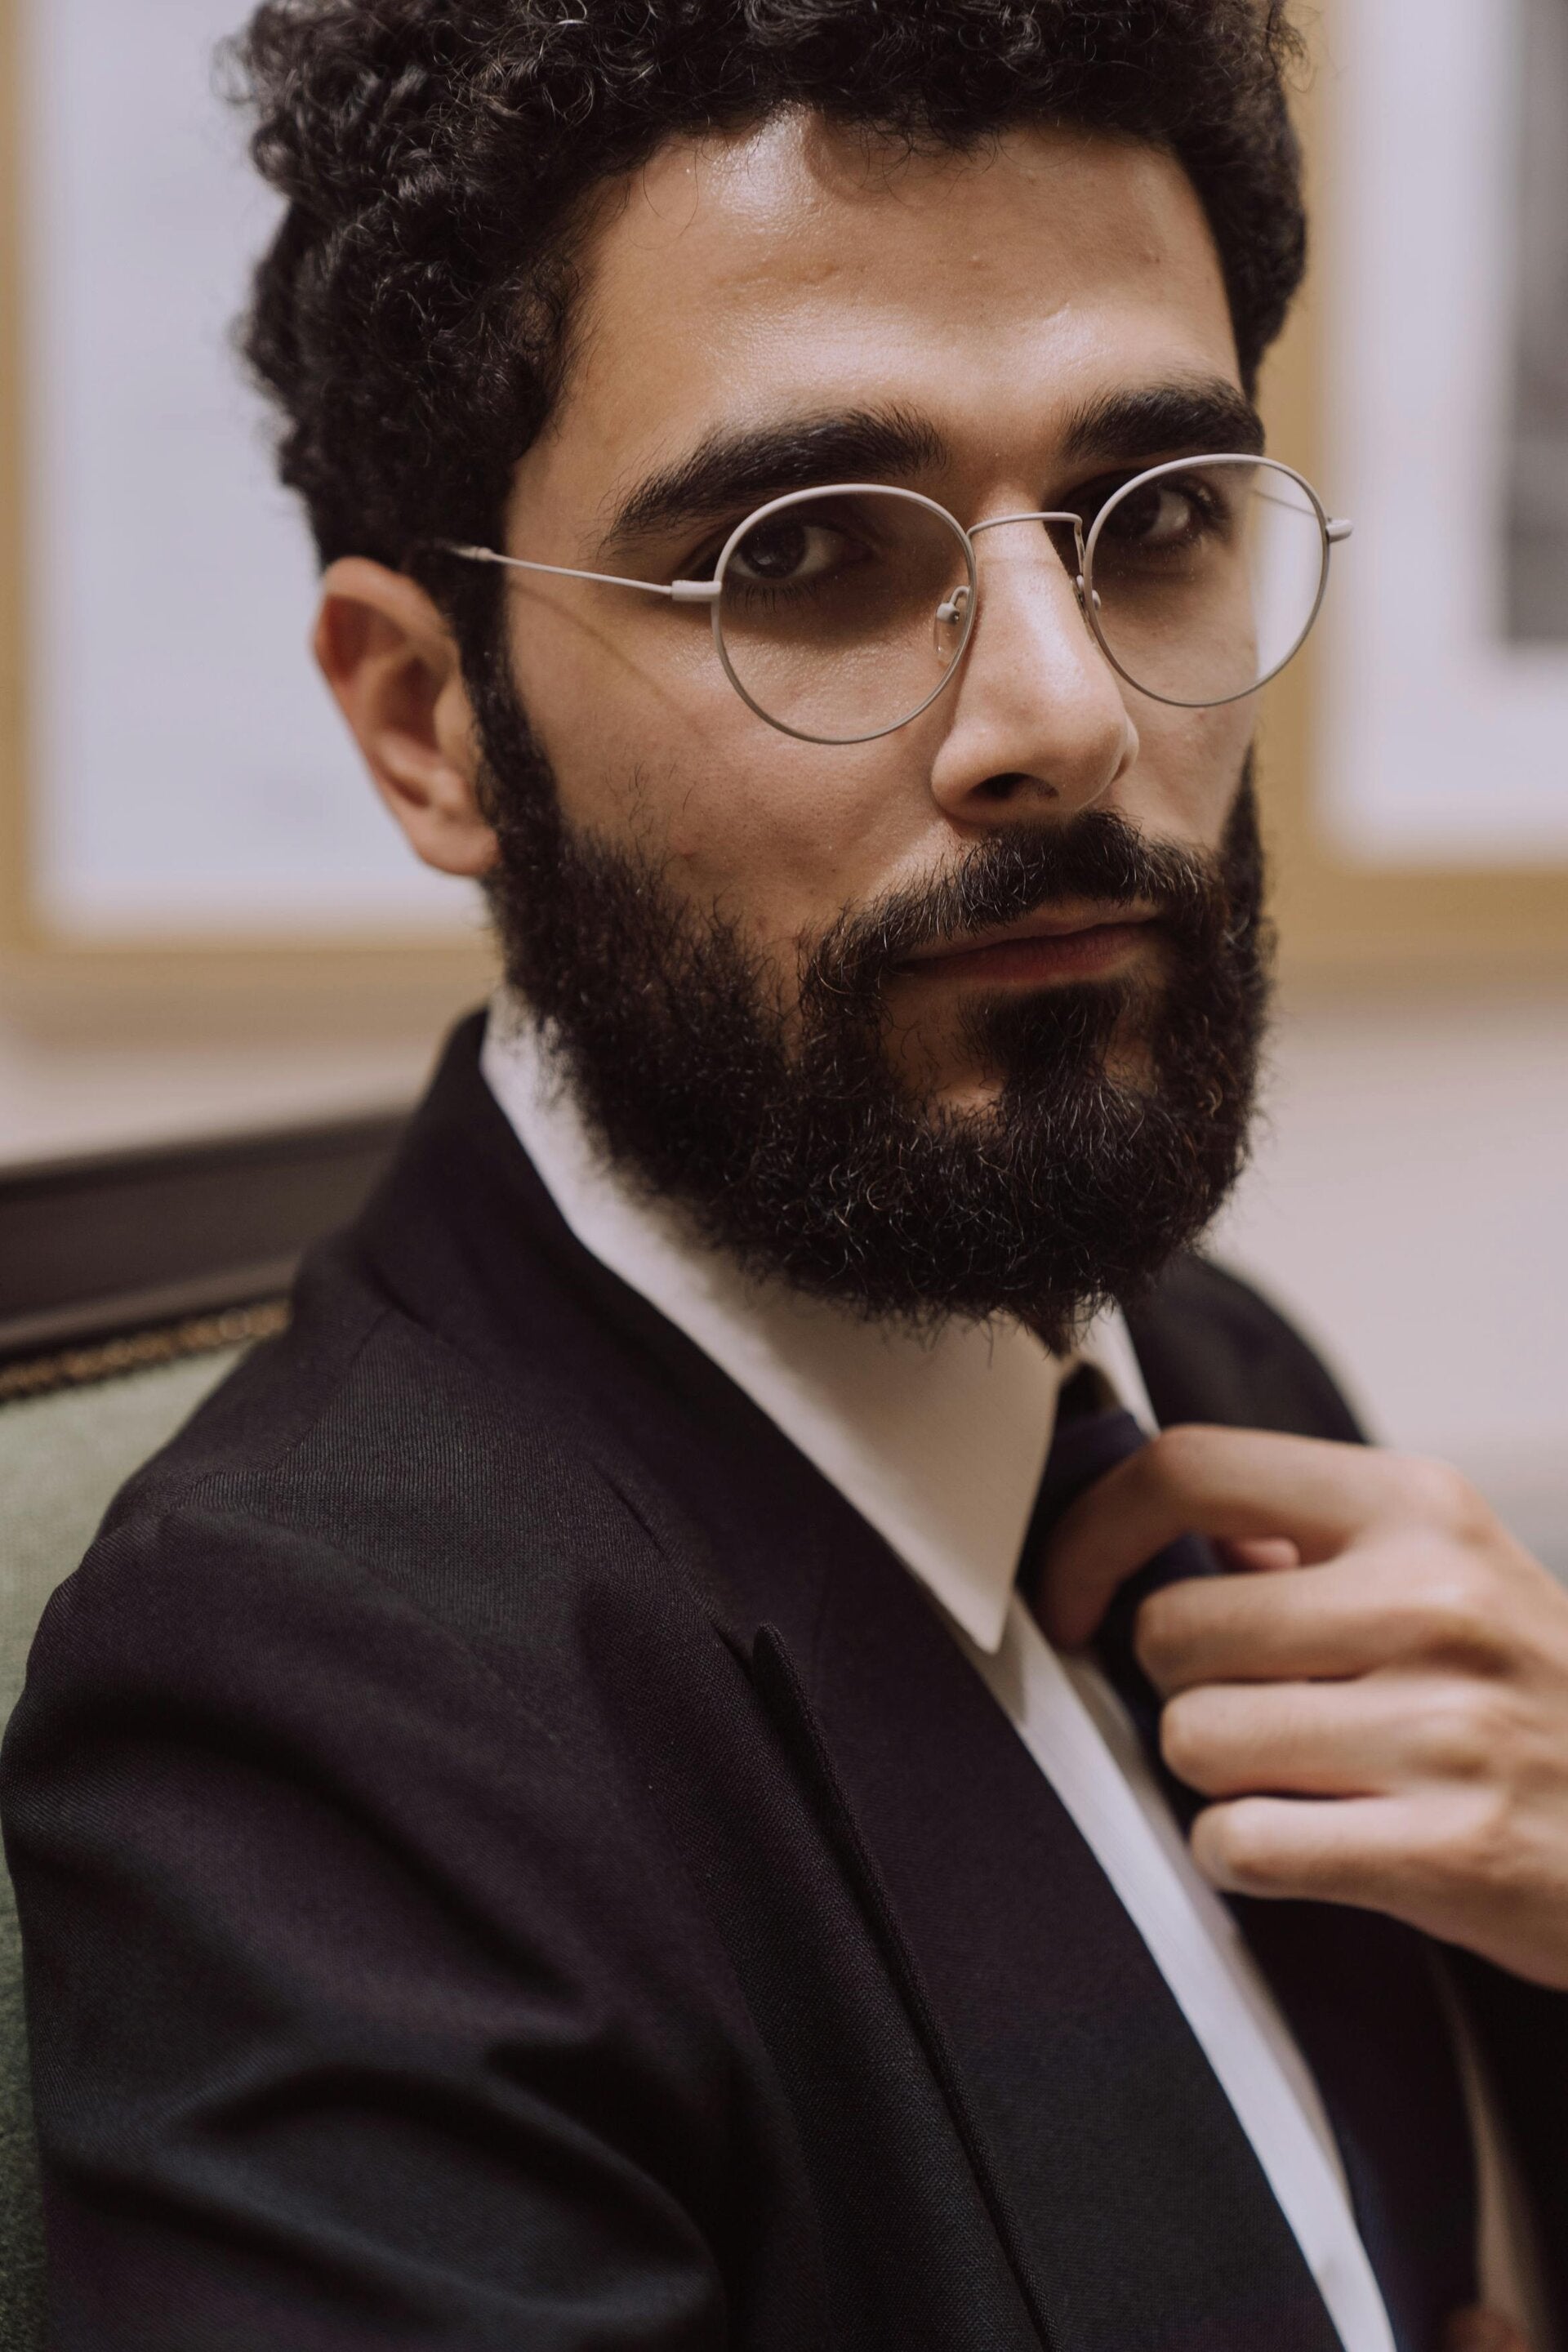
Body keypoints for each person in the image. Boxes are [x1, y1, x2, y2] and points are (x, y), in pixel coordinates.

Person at [4, 3, 1566, 2346]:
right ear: (432, 723)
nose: (1064, 715)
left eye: (1155, 520)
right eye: (807, 553)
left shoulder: (1221, 1392)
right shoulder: (312, 1723)